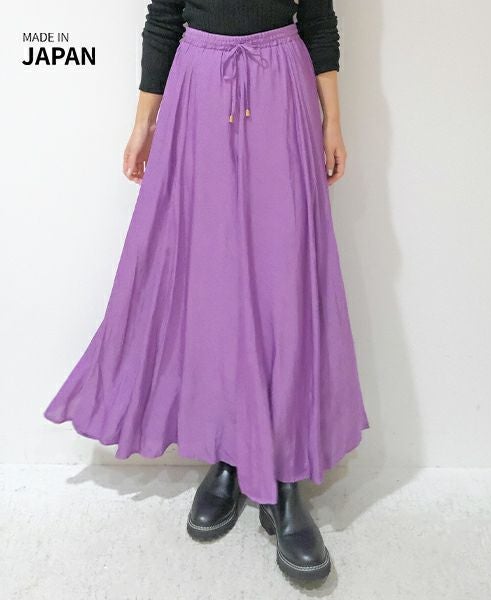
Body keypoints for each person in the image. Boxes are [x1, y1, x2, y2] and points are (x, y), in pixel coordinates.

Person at [44, 0, 369, 582]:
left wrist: (333, 120)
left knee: (286, 285)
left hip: (281, 85)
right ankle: (227, 453)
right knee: (212, 284)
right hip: (198, 90)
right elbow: (165, 17)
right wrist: (143, 123)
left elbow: (318, 18)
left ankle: (287, 475)